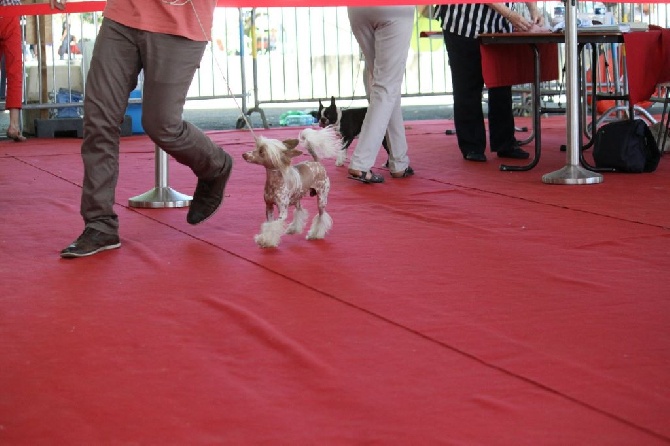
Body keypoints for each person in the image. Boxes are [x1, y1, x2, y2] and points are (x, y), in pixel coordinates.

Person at [59, 0, 233, 258]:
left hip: (182, 23)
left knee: (162, 124)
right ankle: (99, 224)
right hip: (123, 14)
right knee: (99, 119)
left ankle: (215, 166)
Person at [434, 2, 544, 162]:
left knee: (502, 83)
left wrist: (534, 10)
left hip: (499, 24)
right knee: (467, 85)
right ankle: (472, 145)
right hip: (463, 21)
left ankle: (505, 142)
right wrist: (510, 14)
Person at [346, 6, 415, 184]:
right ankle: (361, 162)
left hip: (358, 9)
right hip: (395, 9)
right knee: (386, 86)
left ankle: (399, 161)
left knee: (386, 86)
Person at [0, 0, 27, 141]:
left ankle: (14, 126)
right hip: (10, 12)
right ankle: (14, 125)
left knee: (14, 71)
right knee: (14, 71)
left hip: (9, 12)